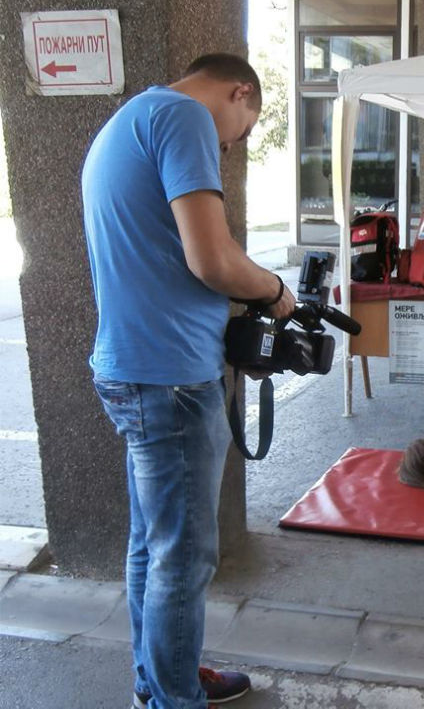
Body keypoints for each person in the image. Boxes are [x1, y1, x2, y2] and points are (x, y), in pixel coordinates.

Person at [82, 53, 296, 709]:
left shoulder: (130, 119)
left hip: (133, 367)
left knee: (153, 547)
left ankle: (160, 680)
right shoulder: (183, 118)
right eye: (242, 130)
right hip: (170, 377)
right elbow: (211, 258)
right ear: (239, 91)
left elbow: (176, 255)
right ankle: (172, 698)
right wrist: (275, 290)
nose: (230, 146)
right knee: (182, 555)